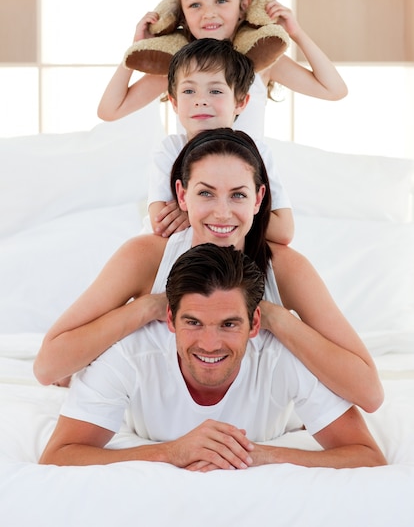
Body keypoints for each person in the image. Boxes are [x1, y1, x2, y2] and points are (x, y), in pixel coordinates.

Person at [34, 129, 384, 417]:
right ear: (181, 195)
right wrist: (148, 308)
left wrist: (273, 317)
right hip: (158, 421)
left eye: (237, 195)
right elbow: (48, 367)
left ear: (259, 199)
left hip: (260, 424)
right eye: (206, 194)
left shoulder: (286, 267)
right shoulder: (146, 257)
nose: (221, 213)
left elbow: (370, 393)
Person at [39, 243, 386, 470]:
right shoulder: (131, 353)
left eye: (228, 324)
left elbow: (368, 456)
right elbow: (58, 455)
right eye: (193, 322)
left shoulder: (283, 355)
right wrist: (172, 452)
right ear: (170, 319)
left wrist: (258, 455)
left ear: (254, 324)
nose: (209, 343)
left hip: (283, 415)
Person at [97, 0, 348, 140]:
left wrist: (296, 33)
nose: (209, 13)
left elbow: (334, 90)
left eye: (221, 1)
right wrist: (135, 50)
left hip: (246, 188)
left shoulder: (262, 64)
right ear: (182, 14)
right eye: (195, 4)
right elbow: (109, 111)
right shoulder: (178, 67)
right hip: (194, 189)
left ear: (244, 6)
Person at [146, 37, 293, 244]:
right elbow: (160, 222)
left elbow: (284, 231)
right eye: (189, 91)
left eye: (215, 91)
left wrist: (194, 211)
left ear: (240, 102)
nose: (201, 100)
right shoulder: (170, 149)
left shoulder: (256, 151)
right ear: (175, 102)